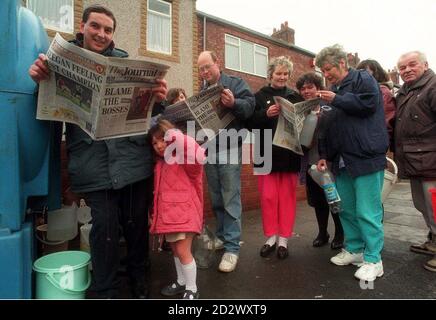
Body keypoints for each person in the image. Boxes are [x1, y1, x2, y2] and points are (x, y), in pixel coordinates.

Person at [28, 5, 168, 298]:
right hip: (94, 165)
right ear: (82, 27)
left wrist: (158, 99)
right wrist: (37, 82)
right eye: (96, 27)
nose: (101, 34)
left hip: (133, 162)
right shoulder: (60, 63)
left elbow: (149, 114)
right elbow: (43, 111)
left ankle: (139, 278)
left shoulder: (125, 62)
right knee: (103, 231)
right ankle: (105, 289)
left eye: (107, 29)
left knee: (135, 226)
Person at [315, 44, 389, 282]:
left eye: (328, 69)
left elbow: (368, 105)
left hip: (365, 155)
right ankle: (356, 250)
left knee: (368, 211)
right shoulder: (333, 90)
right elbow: (327, 126)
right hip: (342, 160)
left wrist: (337, 99)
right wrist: (324, 154)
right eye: (323, 71)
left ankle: (374, 259)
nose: (326, 75)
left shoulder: (364, 79)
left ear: (342, 63)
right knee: (346, 208)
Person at [197, 51, 255, 272]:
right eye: (201, 69)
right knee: (216, 197)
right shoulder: (203, 90)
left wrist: (234, 102)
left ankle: (232, 248)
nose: (204, 72)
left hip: (230, 148)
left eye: (207, 67)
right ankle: (221, 236)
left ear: (217, 64)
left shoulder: (235, 82)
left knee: (231, 198)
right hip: (209, 149)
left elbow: (250, 107)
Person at [249, 56, 302, 259]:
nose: (282, 77)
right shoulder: (258, 96)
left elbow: (303, 124)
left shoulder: (295, 96)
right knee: (268, 197)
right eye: (278, 73)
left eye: (285, 73)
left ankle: (284, 240)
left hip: (289, 152)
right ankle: (270, 237)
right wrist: (265, 114)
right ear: (270, 74)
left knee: (287, 198)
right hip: (264, 152)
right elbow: (249, 123)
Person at [148, 119, 205, 299]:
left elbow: (197, 154)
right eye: (154, 143)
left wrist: (177, 137)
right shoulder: (160, 163)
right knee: (175, 250)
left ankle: (192, 289)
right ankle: (181, 281)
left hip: (185, 214)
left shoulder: (183, 157)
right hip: (169, 216)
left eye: (161, 139)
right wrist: (154, 215)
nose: (158, 145)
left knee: (183, 251)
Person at [394, 51, 436, 272]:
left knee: (435, 207)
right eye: (402, 68)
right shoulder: (405, 91)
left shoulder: (433, 86)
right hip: (415, 160)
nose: (407, 70)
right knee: (423, 206)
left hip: (431, 161)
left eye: (412, 65)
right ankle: (433, 241)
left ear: (425, 65)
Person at [296, 72, 344, 250]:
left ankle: (340, 233)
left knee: (333, 200)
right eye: (303, 88)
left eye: (310, 87)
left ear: (318, 88)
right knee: (318, 202)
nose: (306, 91)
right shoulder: (301, 109)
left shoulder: (328, 107)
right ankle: (322, 233)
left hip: (327, 163)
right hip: (309, 163)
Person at [356, 59, 396, 144]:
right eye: (359, 72)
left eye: (365, 72)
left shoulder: (383, 92)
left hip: (372, 144)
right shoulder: (360, 92)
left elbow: (386, 122)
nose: (361, 75)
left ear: (376, 73)